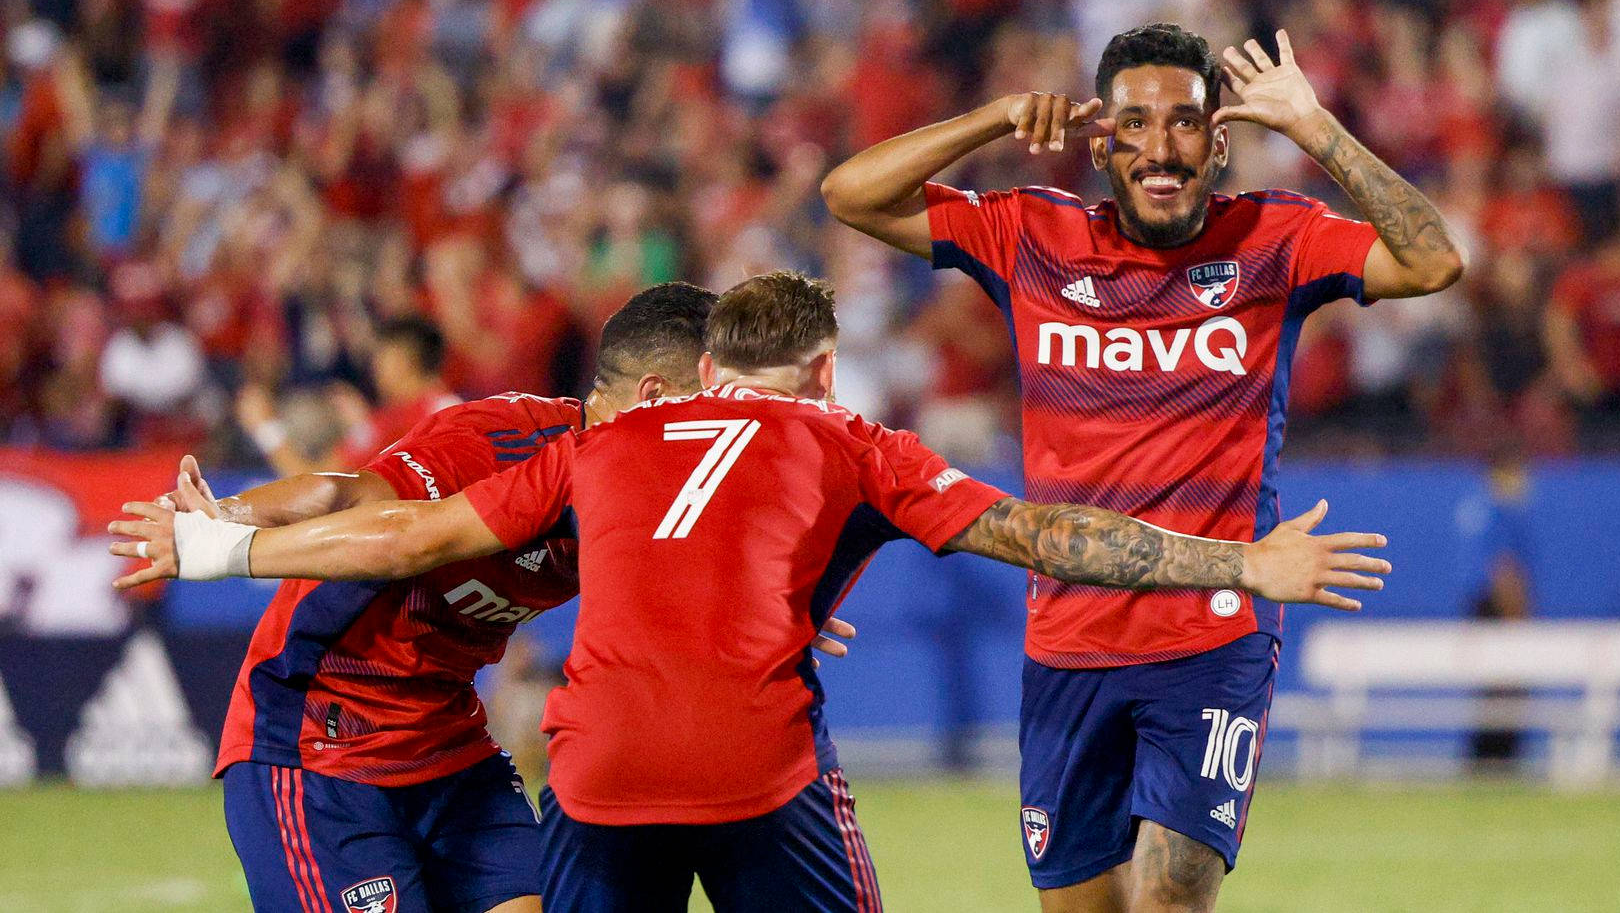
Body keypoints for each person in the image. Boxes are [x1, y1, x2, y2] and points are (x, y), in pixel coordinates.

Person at [112, 271, 1390, 912]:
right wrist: (220, 532)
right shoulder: (534, 439)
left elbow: (428, 545)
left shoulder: (600, 454)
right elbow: (362, 511)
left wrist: (761, 592)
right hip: (316, 741)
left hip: (470, 747)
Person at [820, 23, 1461, 912]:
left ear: (1220, 140)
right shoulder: (1031, 235)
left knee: (1167, 898)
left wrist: (1316, 127)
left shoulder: (1277, 239)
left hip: (1214, 638)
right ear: (1101, 140)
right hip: (1069, 643)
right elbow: (849, 194)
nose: (1161, 148)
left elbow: (1434, 260)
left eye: (1186, 124)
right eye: (1134, 125)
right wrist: (996, 120)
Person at [140, 283, 866, 913]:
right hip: (315, 739)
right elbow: (350, 494)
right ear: (651, 396)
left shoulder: (659, 491)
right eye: (713, 398)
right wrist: (224, 522)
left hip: (448, 741)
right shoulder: (502, 442)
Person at [236, 317, 463, 476]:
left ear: (401, 360)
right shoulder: (454, 407)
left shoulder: (394, 421)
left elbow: (313, 481)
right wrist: (363, 425)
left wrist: (264, 426)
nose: (374, 367)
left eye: (380, 357)